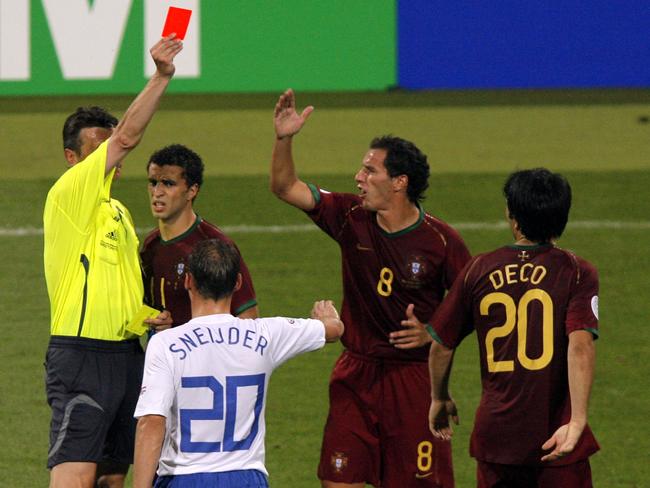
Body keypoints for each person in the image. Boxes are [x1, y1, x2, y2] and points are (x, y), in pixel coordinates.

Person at [270, 89, 471, 487]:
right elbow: (284, 186)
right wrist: (284, 137)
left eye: (369, 171)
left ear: (399, 182)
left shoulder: (441, 242)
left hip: (412, 380)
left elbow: (477, 305)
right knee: (337, 481)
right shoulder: (349, 216)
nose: (358, 178)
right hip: (355, 373)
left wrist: (434, 331)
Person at [43, 35, 183, 488]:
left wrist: (149, 316)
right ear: (73, 159)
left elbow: (117, 289)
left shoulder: (118, 213)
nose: (112, 160)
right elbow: (127, 136)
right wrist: (161, 77)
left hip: (127, 356)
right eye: (98, 151)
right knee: (75, 477)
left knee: (113, 479)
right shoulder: (68, 196)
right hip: (81, 354)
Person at [428, 168, 599, 487]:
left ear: (512, 214)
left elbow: (441, 343)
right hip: (558, 437)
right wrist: (577, 421)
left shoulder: (478, 268)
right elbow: (580, 345)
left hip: (497, 437)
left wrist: (439, 397)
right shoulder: (577, 272)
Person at [132, 239, 344, 488]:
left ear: (188, 281)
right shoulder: (266, 335)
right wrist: (328, 318)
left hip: (184, 478)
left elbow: (151, 422)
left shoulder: (166, 344)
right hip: (246, 478)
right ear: (237, 283)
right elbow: (333, 330)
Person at [140, 143, 258, 330]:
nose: (157, 192)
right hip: (164, 356)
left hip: (206, 356)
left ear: (192, 191)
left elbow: (248, 316)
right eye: (153, 182)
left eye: (168, 183)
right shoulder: (150, 245)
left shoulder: (215, 247)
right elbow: (147, 307)